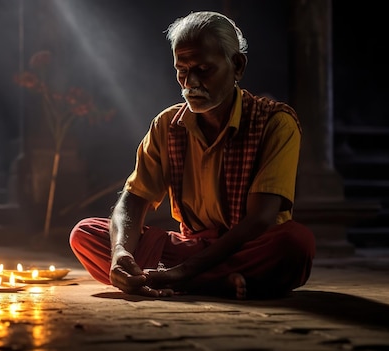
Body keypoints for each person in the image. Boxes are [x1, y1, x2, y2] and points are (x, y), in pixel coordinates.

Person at [69, 11, 316, 300]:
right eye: (182, 70)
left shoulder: (275, 123)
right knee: (85, 233)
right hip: (191, 248)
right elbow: (133, 199)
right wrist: (121, 251)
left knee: (295, 243)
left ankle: (182, 279)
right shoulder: (167, 125)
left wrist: (185, 270)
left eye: (203, 69)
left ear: (237, 66)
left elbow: (260, 220)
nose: (190, 83)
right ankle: (216, 283)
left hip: (245, 247)